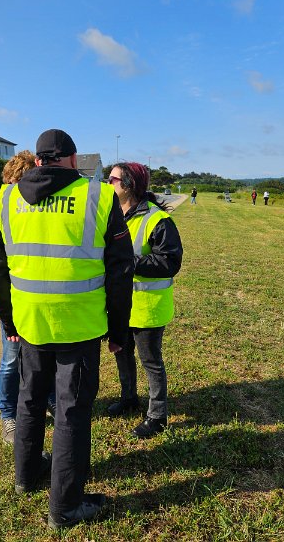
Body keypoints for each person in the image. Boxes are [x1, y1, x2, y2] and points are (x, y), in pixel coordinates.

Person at [0, 129, 134, 529]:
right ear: (72, 159)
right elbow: (121, 271)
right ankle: (65, 508)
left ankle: (27, 475)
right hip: (78, 325)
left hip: (30, 323)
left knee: (30, 399)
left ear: (38, 161)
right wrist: (119, 331)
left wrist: (8, 321)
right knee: (71, 411)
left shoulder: (6, 199)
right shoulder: (98, 196)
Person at [107, 162, 183, 438]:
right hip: (120, 306)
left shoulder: (157, 219)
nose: (107, 184)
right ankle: (129, 398)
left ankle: (157, 416)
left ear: (129, 185)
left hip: (148, 307)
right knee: (122, 354)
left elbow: (170, 262)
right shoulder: (112, 215)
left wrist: (129, 261)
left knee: (151, 362)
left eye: (112, 179)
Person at [0, 150, 52, 445]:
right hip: (10, 298)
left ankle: (48, 399)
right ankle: (8, 414)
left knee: (42, 353)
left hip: (36, 294)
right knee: (11, 358)